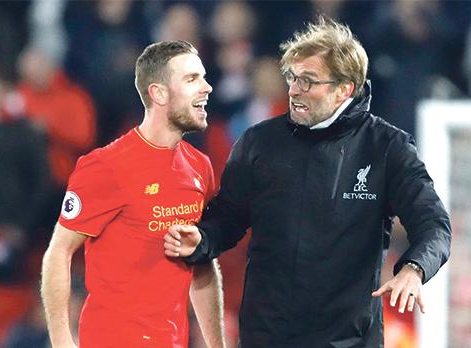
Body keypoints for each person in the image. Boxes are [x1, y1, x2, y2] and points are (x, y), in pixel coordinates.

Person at [164, 18, 451, 347]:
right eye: (292, 77)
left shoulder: (387, 148)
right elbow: (227, 219)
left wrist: (414, 268)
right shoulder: (259, 142)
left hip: (349, 341)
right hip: (267, 337)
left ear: (345, 89)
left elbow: (434, 226)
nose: (294, 89)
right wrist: (201, 239)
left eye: (308, 81)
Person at [41, 41, 226, 348]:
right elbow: (59, 251)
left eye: (204, 77)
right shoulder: (105, 166)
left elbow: (202, 262)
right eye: (192, 79)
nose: (206, 87)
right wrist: (62, 341)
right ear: (159, 93)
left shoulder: (199, 167)